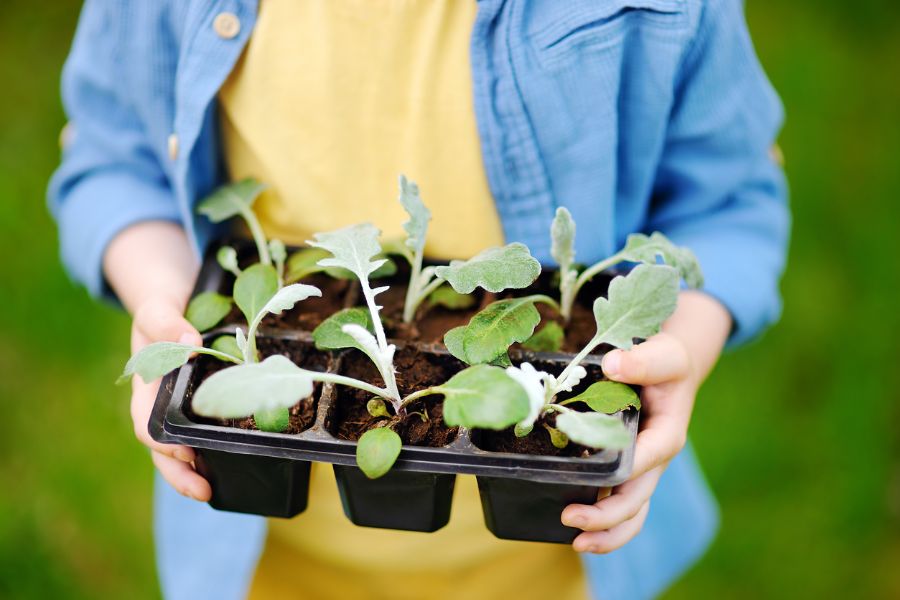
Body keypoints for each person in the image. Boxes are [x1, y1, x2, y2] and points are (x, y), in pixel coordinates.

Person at [48, 1, 789, 599]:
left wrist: (687, 342)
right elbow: (114, 156)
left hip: (552, 559)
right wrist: (163, 300)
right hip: (259, 555)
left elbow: (728, 201)